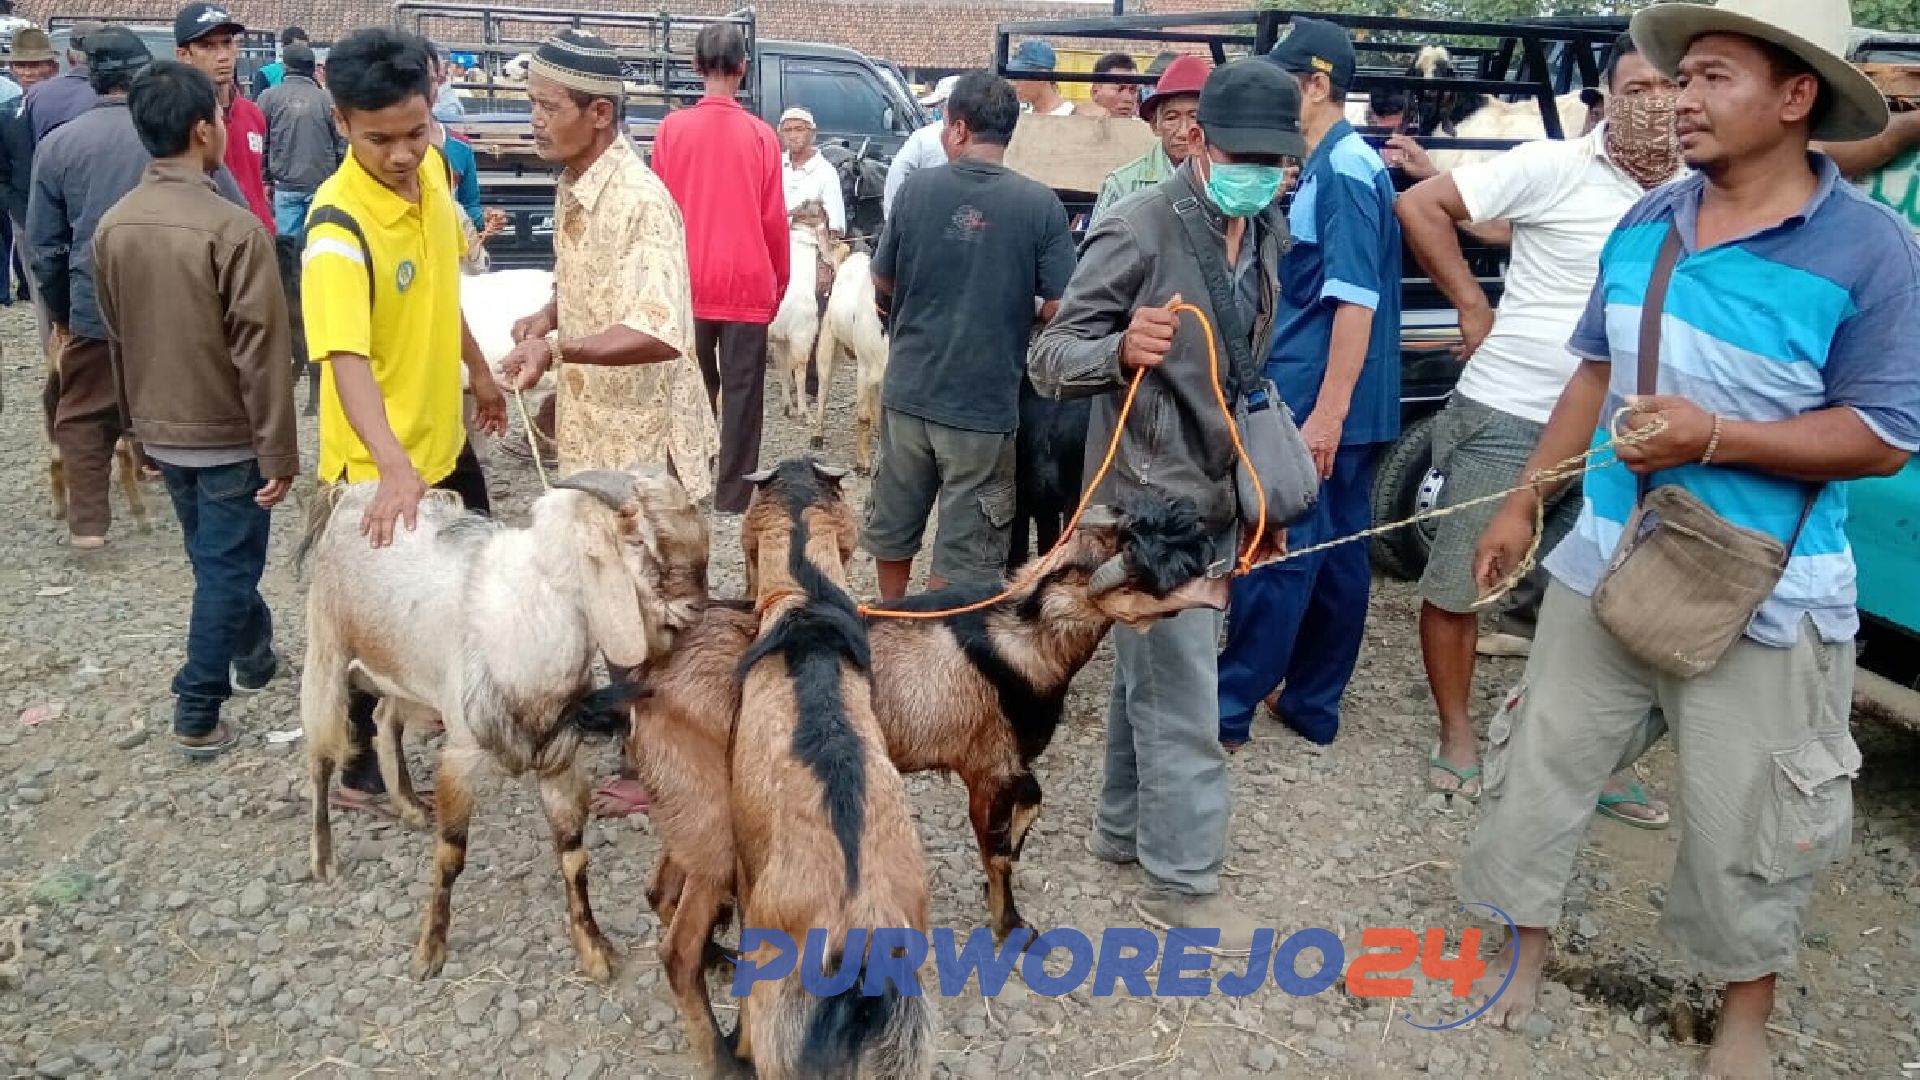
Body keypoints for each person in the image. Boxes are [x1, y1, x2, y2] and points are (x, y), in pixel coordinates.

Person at [1461, 0, 1920, 1073]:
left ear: (1796, 97)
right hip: (1603, 559)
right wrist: (1528, 498)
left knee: (1750, 823)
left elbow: (1884, 437)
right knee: (1542, 768)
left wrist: (1716, 434)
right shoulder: (1648, 220)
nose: (1680, 102)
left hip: (1768, 594)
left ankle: (1744, 1019)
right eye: (1679, 79)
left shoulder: (1872, 251)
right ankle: (1524, 950)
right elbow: (1592, 372)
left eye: (1712, 78)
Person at [1030, 59, 1303, 955]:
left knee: (1151, 674)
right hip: (1146, 510)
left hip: (1214, 494)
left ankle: (1118, 833)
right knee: (1185, 695)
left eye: (1277, 158)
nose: (1260, 171)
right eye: (1244, 154)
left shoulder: (1265, 225)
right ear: (1195, 139)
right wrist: (1116, 348)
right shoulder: (1139, 228)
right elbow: (1048, 357)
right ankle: (1182, 886)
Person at [1396, 34, 1684, 824]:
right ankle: (1456, 734)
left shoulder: (1703, 184)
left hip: (1631, 430)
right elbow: (1422, 204)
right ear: (1605, 101)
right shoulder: (1553, 166)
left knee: (1607, 597)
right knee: (1463, 576)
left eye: (1672, 86)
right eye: (1638, 88)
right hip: (1514, 408)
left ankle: (1582, 754)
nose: (1656, 104)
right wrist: (1471, 303)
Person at [496, 29, 721, 820]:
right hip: (598, 437)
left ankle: (670, 766)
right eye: (529, 105)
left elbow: (660, 327)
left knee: (658, 615)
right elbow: (590, 285)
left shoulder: (639, 202)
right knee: (615, 600)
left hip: (645, 451)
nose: (533, 120)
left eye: (545, 107)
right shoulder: (576, 179)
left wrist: (558, 346)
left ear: (598, 113)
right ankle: (640, 736)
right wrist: (549, 312)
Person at [300, 27, 508, 816]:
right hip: (376, 470)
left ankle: (467, 707)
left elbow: (442, 295)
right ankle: (356, 772)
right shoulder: (335, 228)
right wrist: (389, 466)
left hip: (441, 443)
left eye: (415, 132)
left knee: (484, 576)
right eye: (377, 137)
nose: (399, 152)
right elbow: (343, 358)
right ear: (342, 122)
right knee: (367, 626)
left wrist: (481, 375)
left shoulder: (433, 187)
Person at [94, 60, 296, 757]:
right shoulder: (233, 229)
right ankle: (197, 704)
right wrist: (279, 452)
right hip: (227, 433)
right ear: (204, 130)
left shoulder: (115, 226)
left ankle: (256, 654)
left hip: (160, 424)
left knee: (215, 559)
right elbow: (261, 353)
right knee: (226, 567)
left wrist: (133, 428)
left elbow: (116, 338)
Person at [1214, 19, 1401, 751]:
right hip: (1341, 401)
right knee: (1339, 552)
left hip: (1322, 401)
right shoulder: (1330, 165)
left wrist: (1325, 415)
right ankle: (1313, 702)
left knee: (1280, 547)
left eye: (1282, 83)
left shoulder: (1347, 172)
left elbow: (1355, 301)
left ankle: (1228, 707)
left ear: (1316, 85)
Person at [28, 26, 251, 549]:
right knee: (187, 397)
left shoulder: (59, 144)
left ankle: (88, 529)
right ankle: (199, 508)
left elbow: (44, 245)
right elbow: (235, 211)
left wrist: (62, 309)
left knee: (84, 414)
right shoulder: (175, 133)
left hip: (95, 300)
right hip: (185, 299)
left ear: (89, 75)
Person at [863, 71, 1075, 598]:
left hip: (909, 391)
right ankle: (937, 636)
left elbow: (882, 277)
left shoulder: (915, 190)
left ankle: (890, 618)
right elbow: (1060, 307)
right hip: (983, 408)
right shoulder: (1040, 205)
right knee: (965, 542)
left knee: (895, 520)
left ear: (957, 128)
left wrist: (899, 304)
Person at [650, 21, 787, 514]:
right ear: (744, 69)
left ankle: (684, 483)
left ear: (695, 67)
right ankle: (732, 498)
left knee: (689, 390)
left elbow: (659, 214)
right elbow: (774, 220)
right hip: (747, 282)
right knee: (744, 396)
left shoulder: (671, 131)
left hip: (686, 281)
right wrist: (779, 282)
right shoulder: (762, 136)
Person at [175, 3, 273, 234]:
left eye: (227, 43)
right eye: (207, 46)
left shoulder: (253, 113)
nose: (222, 56)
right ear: (184, 55)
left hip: (259, 240)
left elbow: (256, 182)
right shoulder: (180, 122)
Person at [1091, 54, 1208, 223]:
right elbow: (1099, 248)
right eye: (1171, 118)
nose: (1183, 132)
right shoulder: (1123, 184)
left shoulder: (1229, 183)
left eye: (1194, 117)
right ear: (1155, 124)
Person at [1, 27, 59, 319]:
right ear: (11, 69)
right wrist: (14, 207)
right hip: (24, 212)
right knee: (40, 295)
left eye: (35, 64)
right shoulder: (8, 115)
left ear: (52, 67)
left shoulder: (67, 108)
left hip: (66, 212)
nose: (28, 72)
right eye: (21, 64)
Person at [258, 42, 340, 235]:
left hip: (284, 184)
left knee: (287, 246)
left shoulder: (268, 98)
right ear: (313, 68)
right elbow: (342, 143)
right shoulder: (327, 100)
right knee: (320, 240)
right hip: (322, 184)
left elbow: (261, 142)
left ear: (285, 67)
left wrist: (265, 179)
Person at [883, 75, 956, 220]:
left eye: (940, 105)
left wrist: (892, 221)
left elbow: (897, 173)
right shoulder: (984, 138)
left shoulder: (924, 137)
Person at [1008, 40, 1078, 117]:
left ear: (1042, 75)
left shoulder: (1070, 115)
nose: (1013, 84)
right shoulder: (1023, 114)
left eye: (1019, 77)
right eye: (1012, 77)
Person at [249, 25, 307, 99]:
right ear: (284, 48)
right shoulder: (266, 74)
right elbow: (257, 105)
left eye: (305, 49)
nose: (302, 53)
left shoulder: (311, 75)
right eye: (297, 49)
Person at [1088, 50, 1139, 119]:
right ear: (1095, 91)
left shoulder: (1145, 128)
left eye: (1133, 90)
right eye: (1120, 89)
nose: (1128, 98)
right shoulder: (1076, 124)